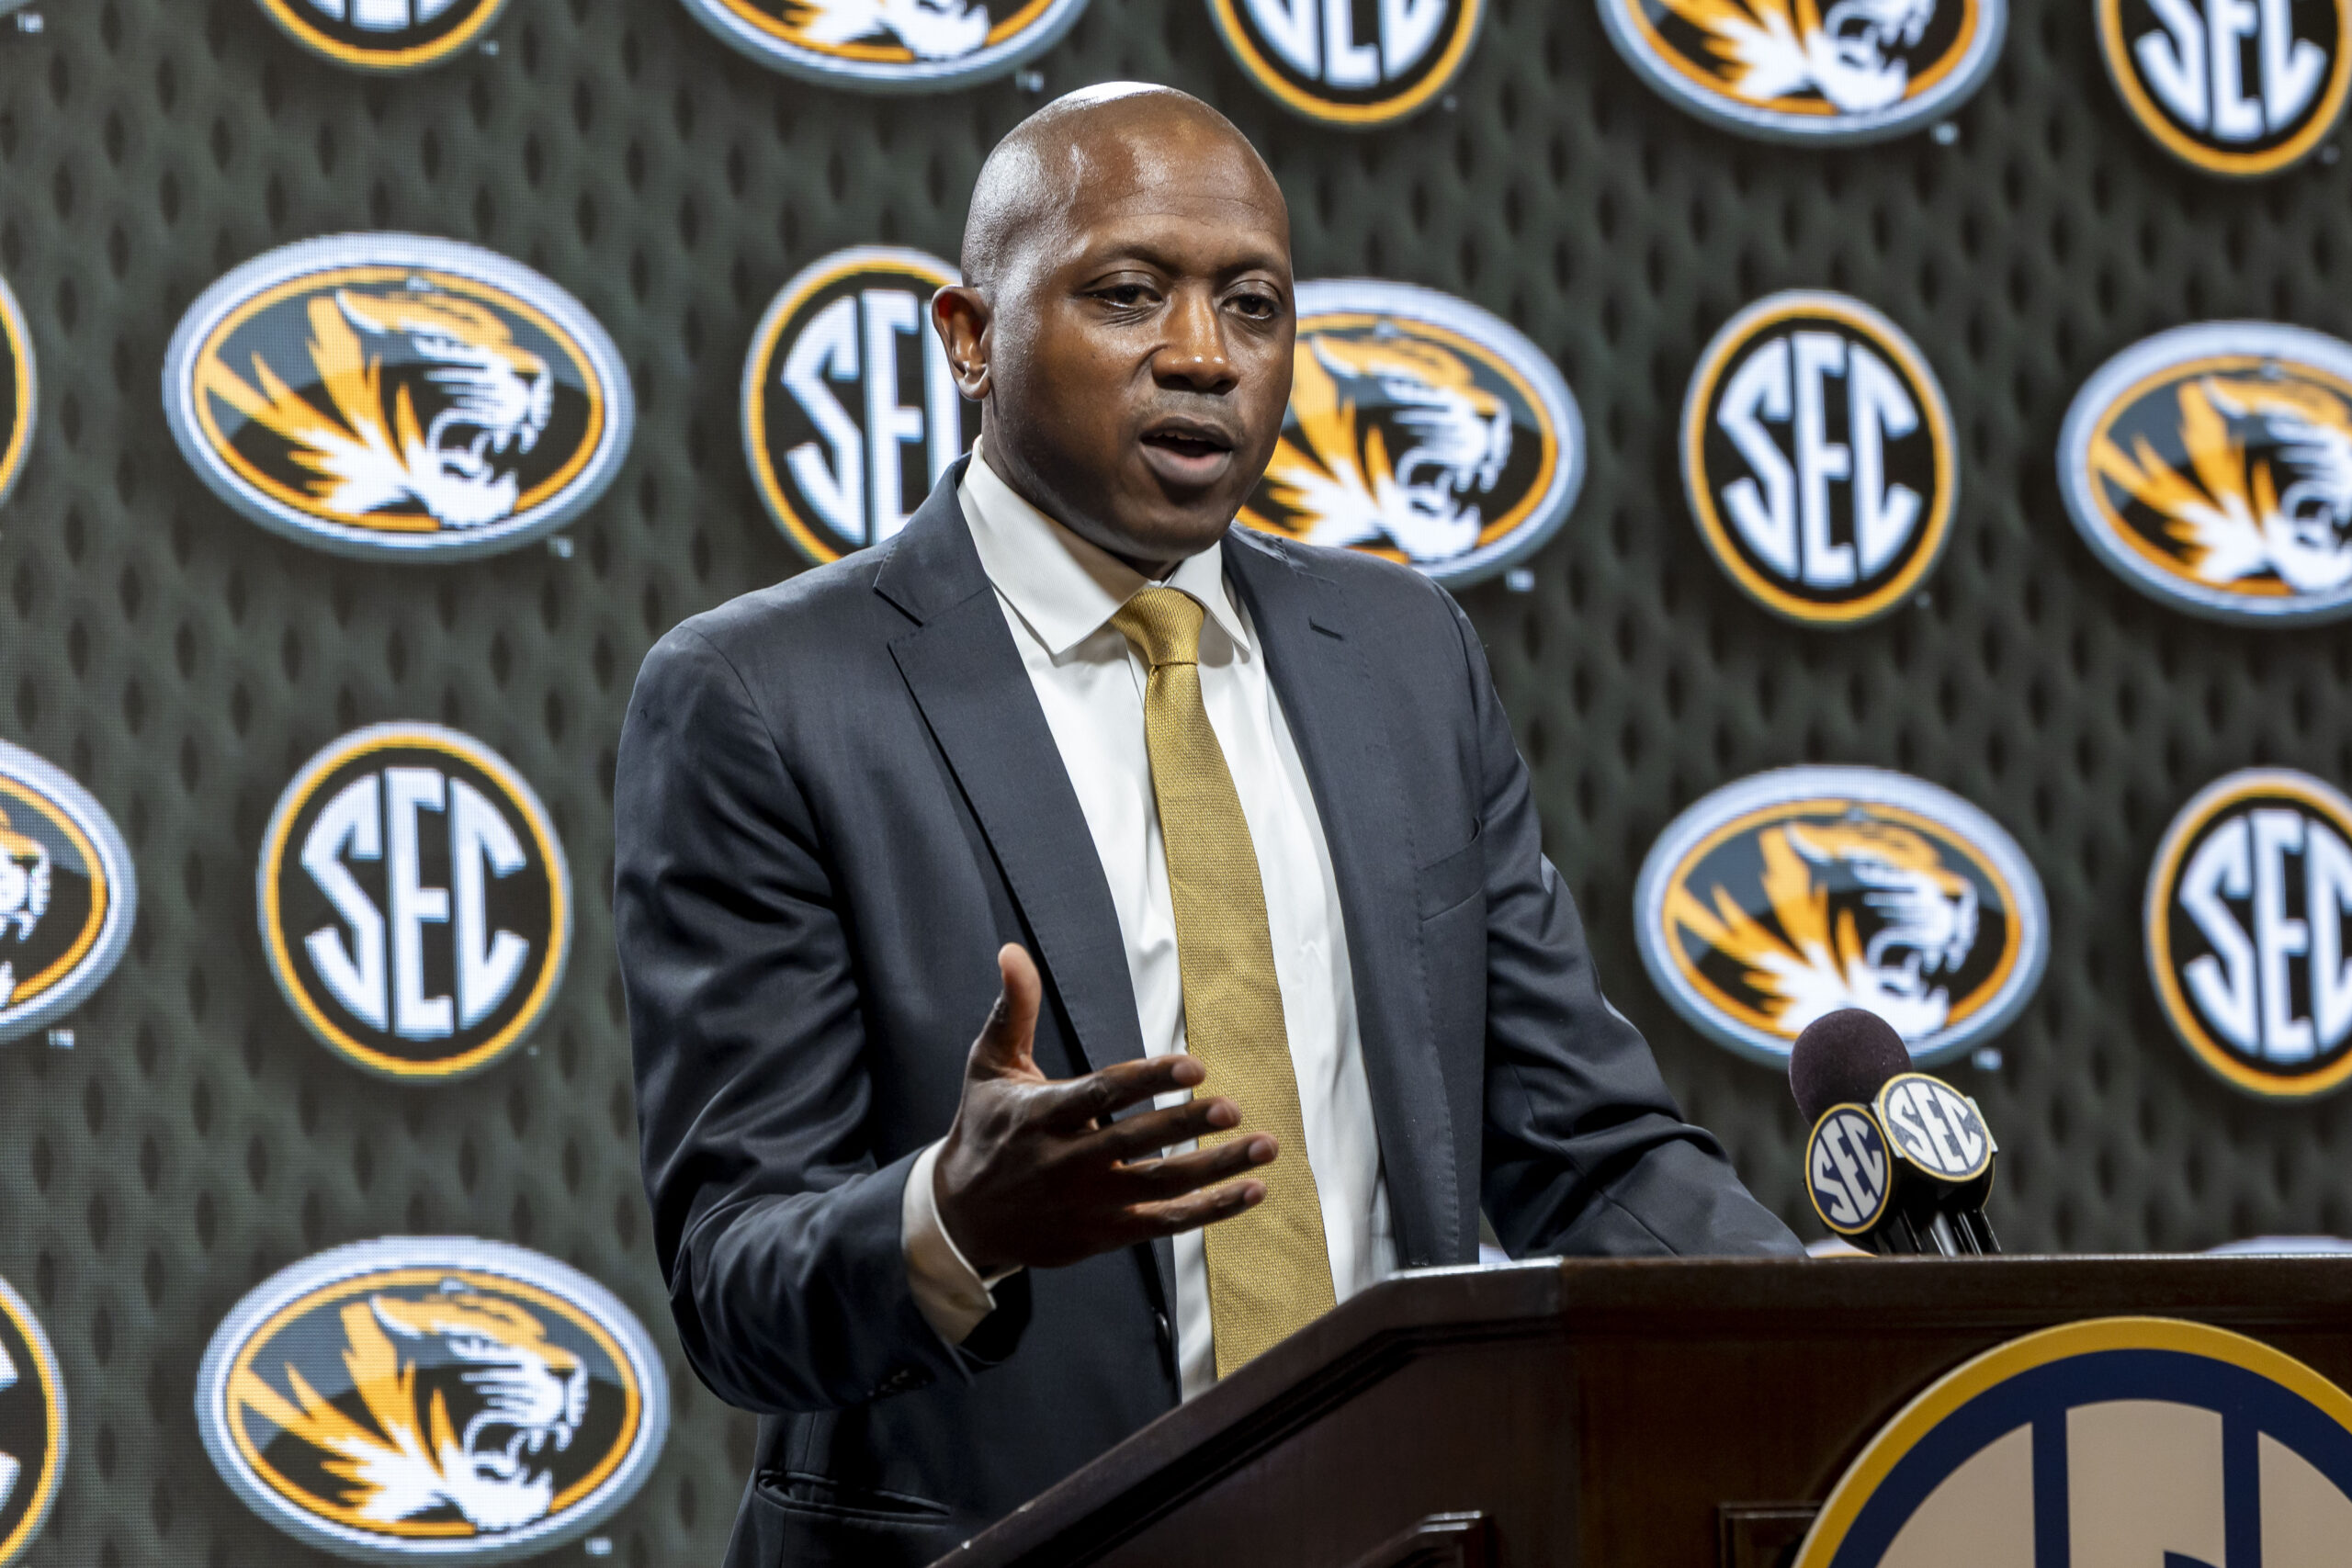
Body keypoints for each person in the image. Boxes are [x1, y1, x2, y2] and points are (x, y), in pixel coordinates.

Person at [613, 82, 1802, 1568]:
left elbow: (1585, 1144)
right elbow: (737, 1287)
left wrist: (1828, 1319)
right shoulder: (762, 697)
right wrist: (957, 1214)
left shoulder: (1405, 657)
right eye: (1127, 295)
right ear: (969, 338)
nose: (1202, 357)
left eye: (1253, 306)